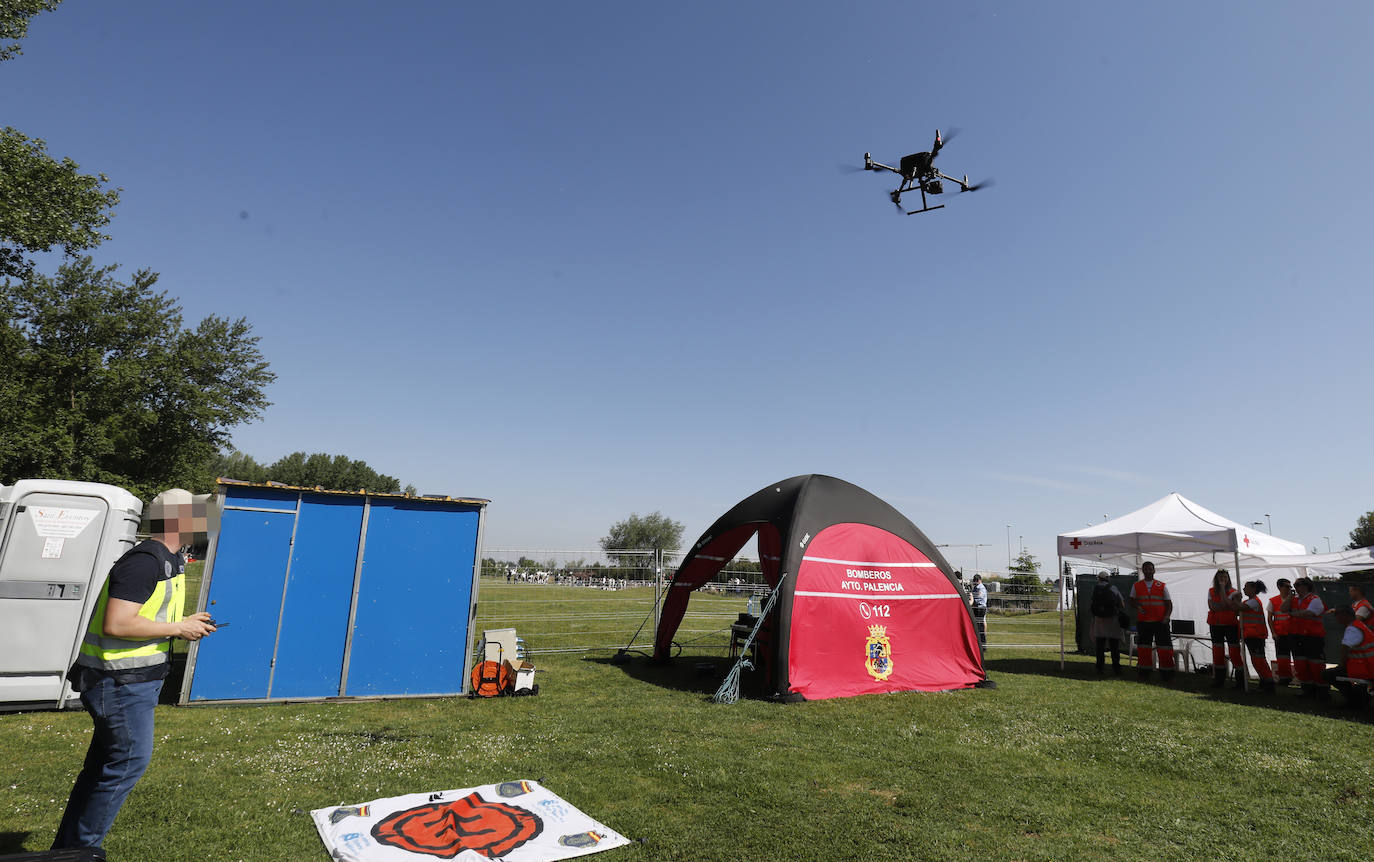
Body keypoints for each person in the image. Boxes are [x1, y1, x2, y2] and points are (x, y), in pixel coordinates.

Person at [52, 493, 217, 853]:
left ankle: (66, 851)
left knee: (101, 769)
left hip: (129, 682)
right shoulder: (145, 561)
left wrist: (185, 623)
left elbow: (147, 616)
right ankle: (81, 852)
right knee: (126, 763)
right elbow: (118, 623)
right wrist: (179, 629)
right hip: (119, 684)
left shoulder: (169, 560)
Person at [1128, 562, 1175, 681]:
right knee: (1144, 647)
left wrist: (1167, 617)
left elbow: (1168, 604)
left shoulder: (1162, 585)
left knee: (1164, 647)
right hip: (1144, 622)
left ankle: (1167, 673)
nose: (1148, 571)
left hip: (1160, 622)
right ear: (1143, 571)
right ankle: (1144, 672)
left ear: (1154, 571)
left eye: (1150, 569)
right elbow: (1131, 600)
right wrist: (1138, 607)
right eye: (1146, 569)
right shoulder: (1136, 585)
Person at [1284, 576, 1328, 699]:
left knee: (1316, 665)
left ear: (1305, 586)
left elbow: (1310, 613)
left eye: (1297, 585)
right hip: (1297, 636)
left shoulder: (1315, 599)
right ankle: (1307, 690)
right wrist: (1289, 597)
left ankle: (1322, 691)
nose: (1295, 588)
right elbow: (1283, 609)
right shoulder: (1294, 599)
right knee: (1300, 664)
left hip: (1312, 637)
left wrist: (1293, 614)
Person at [1321, 605, 1373, 708]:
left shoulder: (1352, 629)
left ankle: (1355, 700)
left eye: (1337, 615)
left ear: (1345, 615)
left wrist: (1342, 665)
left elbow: (1345, 648)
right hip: (1369, 667)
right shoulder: (1359, 626)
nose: (1336, 618)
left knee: (1328, 674)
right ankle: (1360, 697)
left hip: (1365, 669)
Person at [1206, 569, 1244, 688]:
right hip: (1216, 625)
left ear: (1228, 579)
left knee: (1234, 652)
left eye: (1225, 577)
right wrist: (1227, 605)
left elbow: (1234, 608)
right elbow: (1213, 607)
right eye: (1221, 577)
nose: (1223, 579)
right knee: (1217, 652)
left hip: (1231, 625)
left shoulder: (1235, 592)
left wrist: (1223, 592)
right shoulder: (1211, 591)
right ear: (1216, 579)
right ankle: (1219, 680)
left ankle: (1240, 681)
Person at [1239, 580, 1276, 693]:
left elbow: (1239, 608)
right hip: (1251, 635)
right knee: (1256, 660)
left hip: (1256, 635)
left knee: (1259, 660)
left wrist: (1234, 598)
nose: (1244, 589)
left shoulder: (1253, 602)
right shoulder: (1249, 601)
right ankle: (1264, 682)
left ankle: (1268, 683)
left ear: (1253, 589)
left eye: (1246, 587)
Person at [1088, 571, 1126, 676]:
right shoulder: (1113, 588)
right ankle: (1116, 668)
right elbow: (1122, 604)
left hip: (1099, 621)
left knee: (1100, 647)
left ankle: (1100, 668)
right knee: (1114, 647)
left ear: (1099, 578)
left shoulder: (1095, 589)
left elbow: (1092, 604)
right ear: (1108, 578)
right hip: (1112, 621)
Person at [1267, 578, 1295, 686]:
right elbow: (1269, 618)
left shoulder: (1294, 600)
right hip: (1280, 634)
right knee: (1282, 657)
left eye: (1290, 586)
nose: (1289, 588)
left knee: (1297, 658)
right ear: (1279, 587)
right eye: (1286, 586)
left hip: (1293, 633)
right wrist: (1273, 633)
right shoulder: (1273, 600)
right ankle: (1284, 678)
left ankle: (1300, 678)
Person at [969, 574, 988, 646]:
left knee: (980, 626)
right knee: (977, 625)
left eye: (975, 580)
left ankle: (982, 643)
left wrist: (972, 595)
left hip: (980, 608)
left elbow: (979, 596)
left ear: (979, 580)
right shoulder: (976, 587)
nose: (974, 581)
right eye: (974, 580)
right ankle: (978, 641)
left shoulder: (981, 588)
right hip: (976, 608)